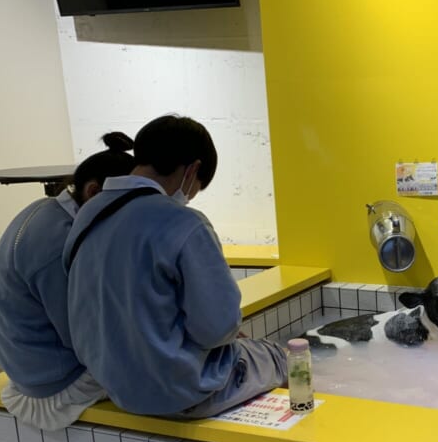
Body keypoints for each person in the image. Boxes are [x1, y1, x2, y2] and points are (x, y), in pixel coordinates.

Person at [62, 114, 287, 418]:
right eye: (197, 187)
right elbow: (218, 328)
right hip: (180, 393)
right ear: (192, 170)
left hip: (114, 387)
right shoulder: (184, 223)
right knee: (284, 357)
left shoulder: (87, 217)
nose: (191, 196)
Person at [0, 133, 136, 431]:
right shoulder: (60, 244)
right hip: (55, 386)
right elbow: (85, 340)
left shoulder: (46, 212)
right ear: (94, 191)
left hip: (31, 367)